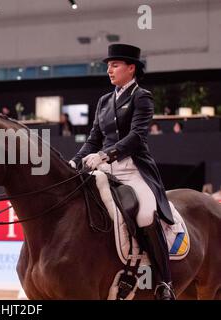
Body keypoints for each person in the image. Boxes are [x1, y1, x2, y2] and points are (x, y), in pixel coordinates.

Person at [69, 44, 176, 300]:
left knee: (145, 214)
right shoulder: (105, 100)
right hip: (103, 168)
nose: (109, 70)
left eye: (115, 65)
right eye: (108, 65)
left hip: (133, 168)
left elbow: (137, 136)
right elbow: (94, 138)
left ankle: (164, 282)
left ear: (131, 68)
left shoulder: (142, 96)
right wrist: (76, 160)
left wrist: (107, 154)